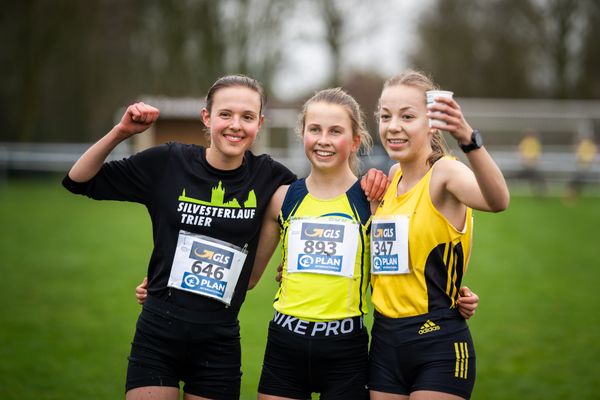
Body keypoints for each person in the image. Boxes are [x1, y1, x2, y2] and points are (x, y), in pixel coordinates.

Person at [63, 74, 388, 400]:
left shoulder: (270, 178)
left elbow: (315, 209)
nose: (236, 125)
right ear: (207, 117)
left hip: (220, 343)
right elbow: (78, 181)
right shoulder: (169, 162)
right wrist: (122, 132)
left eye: (247, 117)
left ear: (259, 123)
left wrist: (370, 180)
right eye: (225, 114)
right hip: (159, 332)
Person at [368, 70, 509, 400]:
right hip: (385, 342)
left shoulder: (444, 172)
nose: (393, 127)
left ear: (431, 123)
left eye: (407, 116)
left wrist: (468, 139)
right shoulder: (392, 177)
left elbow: (498, 201)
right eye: (385, 116)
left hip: (438, 344)